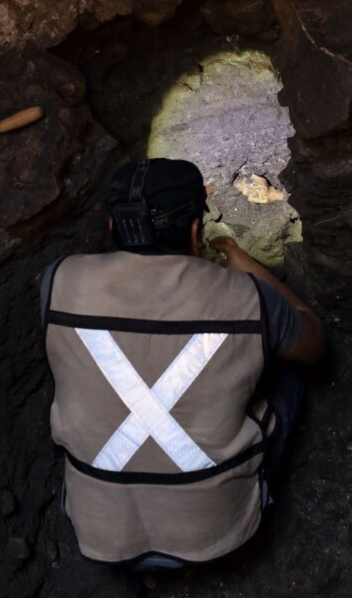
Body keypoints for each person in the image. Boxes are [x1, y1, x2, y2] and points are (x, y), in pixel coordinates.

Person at [42, 158, 324, 568]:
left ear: (110, 227)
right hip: (218, 533)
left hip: (100, 535)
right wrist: (248, 267)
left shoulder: (57, 281)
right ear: (196, 231)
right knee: (287, 367)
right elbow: (314, 344)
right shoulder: (248, 297)